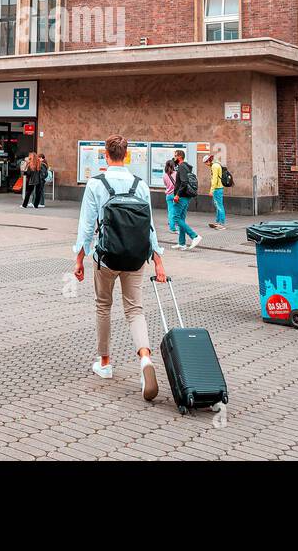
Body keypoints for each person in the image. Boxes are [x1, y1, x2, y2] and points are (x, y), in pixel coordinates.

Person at [73, 134, 167, 401]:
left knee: (103, 306)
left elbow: (87, 226)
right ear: (126, 155)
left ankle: (104, 363)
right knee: (135, 310)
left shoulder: (95, 184)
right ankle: (145, 360)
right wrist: (158, 260)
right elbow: (149, 226)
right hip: (136, 257)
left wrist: (79, 258)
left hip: (106, 258)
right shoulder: (141, 185)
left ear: (105, 155)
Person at [170, 150, 201, 250]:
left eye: (175, 156)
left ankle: (195, 236)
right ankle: (182, 243)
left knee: (175, 218)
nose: (173, 158)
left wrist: (177, 195)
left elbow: (184, 182)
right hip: (186, 197)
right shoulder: (185, 167)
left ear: (179, 157)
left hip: (181, 197)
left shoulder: (182, 166)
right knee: (181, 219)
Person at [205, 153, 227, 231]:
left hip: (217, 189)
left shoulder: (214, 166)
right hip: (219, 188)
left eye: (206, 163)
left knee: (220, 206)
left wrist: (211, 190)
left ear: (208, 161)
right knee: (218, 206)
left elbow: (214, 179)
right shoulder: (217, 164)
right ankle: (218, 222)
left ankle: (222, 224)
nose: (206, 165)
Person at [162, 159, 178, 239]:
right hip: (176, 195)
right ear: (173, 166)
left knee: (170, 211)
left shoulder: (165, 175)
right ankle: (174, 226)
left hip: (168, 195)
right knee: (176, 211)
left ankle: (171, 226)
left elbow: (165, 184)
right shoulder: (176, 174)